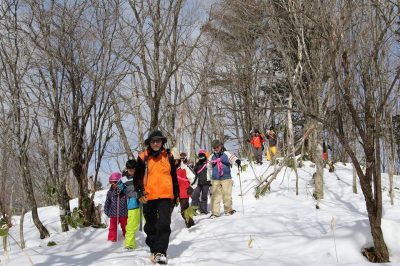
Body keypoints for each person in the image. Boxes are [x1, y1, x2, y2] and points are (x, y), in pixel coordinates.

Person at [134, 130, 179, 265]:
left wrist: (176, 194)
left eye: (158, 141)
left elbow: (174, 177)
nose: (155, 143)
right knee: (151, 225)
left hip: (165, 195)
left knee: (164, 223)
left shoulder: (168, 156)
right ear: (149, 143)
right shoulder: (143, 157)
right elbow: (137, 177)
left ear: (162, 142)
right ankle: (154, 248)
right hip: (149, 195)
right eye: (153, 141)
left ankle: (161, 252)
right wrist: (140, 191)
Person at [208, 139, 241, 218]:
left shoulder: (226, 153)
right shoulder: (211, 156)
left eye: (217, 147)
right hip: (215, 178)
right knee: (215, 196)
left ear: (220, 146)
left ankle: (228, 210)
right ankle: (215, 213)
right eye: (214, 147)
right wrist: (209, 178)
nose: (216, 149)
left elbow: (233, 158)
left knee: (227, 194)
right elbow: (208, 167)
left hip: (226, 177)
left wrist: (237, 161)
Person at [171, 148, 197, 228]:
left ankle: (190, 224)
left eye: (175, 160)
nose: (174, 162)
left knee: (184, 211)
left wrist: (191, 187)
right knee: (167, 211)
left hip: (184, 192)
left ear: (179, 159)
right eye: (172, 160)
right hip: (172, 193)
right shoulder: (169, 168)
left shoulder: (185, 167)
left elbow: (194, 178)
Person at [118, 159, 140, 249]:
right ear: (127, 169)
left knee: (150, 222)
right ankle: (130, 244)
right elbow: (120, 188)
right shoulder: (124, 179)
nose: (132, 171)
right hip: (132, 204)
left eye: (134, 169)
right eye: (130, 170)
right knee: (131, 224)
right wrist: (120, 191)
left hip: (144, 203)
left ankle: (155, 240)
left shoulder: (140, 176)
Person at [104, 172, 128, 242]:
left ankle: (127, 237)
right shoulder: (110, 192)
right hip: (113, 214)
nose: (113, 184)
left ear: (119, 182)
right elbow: (107, 202)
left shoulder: (124, 191)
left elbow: (128, 200)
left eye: (115, 182)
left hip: (124, 213)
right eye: (111, 182)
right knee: (112, 227)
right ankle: (112, 240)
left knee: (125, 226)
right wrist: (107, 211)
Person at [191, 149, 211, 214]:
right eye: (200, 156)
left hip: (206, 183)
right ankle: (193, 210)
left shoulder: (208, 163)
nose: (201, 157)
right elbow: (194, 172)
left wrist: (211, 181)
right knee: (195, 196)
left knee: (204, 197)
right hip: (198, 183)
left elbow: (211, 171)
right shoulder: (197, 164)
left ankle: (203, 210)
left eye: (202, 156)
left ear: (205, 155)